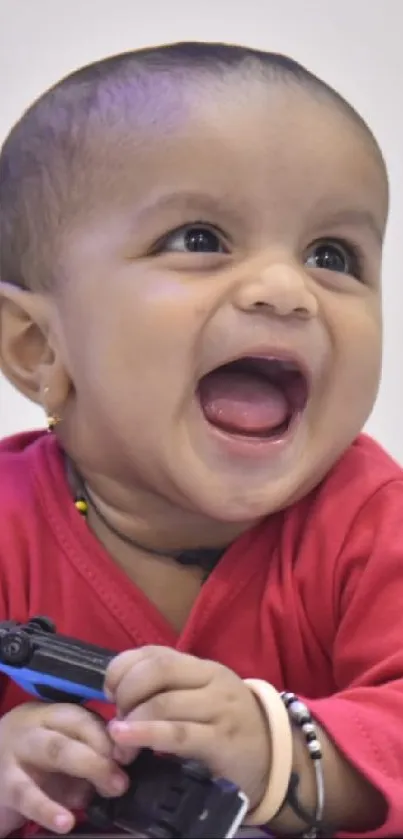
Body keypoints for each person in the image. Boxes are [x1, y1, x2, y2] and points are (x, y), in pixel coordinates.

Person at [0, 39, 400, 839]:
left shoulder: (369, 520)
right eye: (199, 239)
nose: (286, 290)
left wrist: (280, 754)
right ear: (40, 350)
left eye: (332, 255)